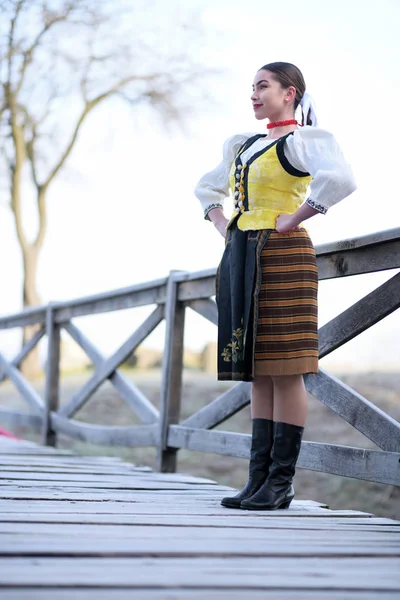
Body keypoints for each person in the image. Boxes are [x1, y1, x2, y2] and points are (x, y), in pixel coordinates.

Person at [194, 62, 356, 511]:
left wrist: (297, 217)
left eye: (262, 86)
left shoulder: (304, 141)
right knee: (259, 368)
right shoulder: (242, 145)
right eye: (251, 87)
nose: (253, 94)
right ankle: (257, 480)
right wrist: (225, 225)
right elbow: (207, 190)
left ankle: (280, 484)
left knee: (285, 367)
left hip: (284, 255)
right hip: (242, 254)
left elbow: (340, 179)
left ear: (290, 93)